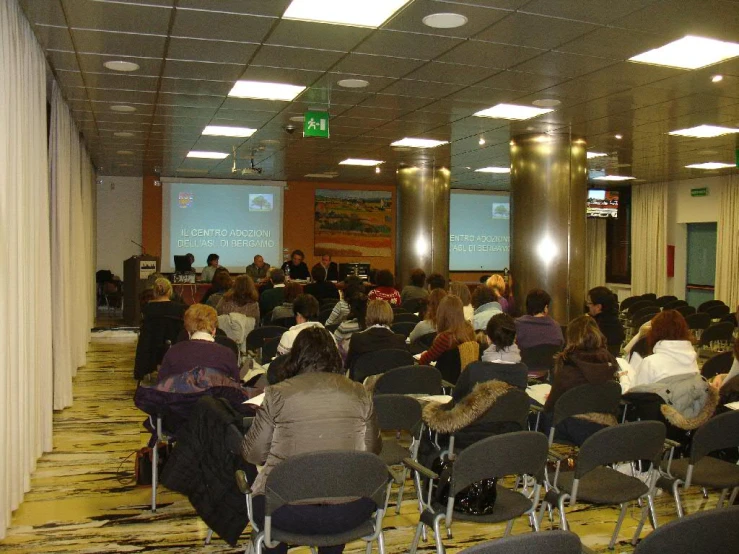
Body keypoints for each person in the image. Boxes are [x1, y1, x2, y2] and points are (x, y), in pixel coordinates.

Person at [241, 326, 381, 554]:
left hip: (286, 511)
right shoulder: (361, 393)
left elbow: (253, 454)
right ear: (335, 357)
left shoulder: (276, 394)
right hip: (350, 511)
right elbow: (373, 450)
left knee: (265, 499)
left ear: (296, 357)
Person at [543, 315, 618, 445]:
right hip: (606, 426)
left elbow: (550, 405)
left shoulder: (567, 366)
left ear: (570, 338)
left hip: (572, 427)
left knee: (541, 417)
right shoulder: (609, 364)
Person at [158, 304, 240, 383]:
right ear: (214, 330)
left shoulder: (173, 352)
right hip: (215, 396)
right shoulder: (227, 354)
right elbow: (235, 389)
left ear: (187, 331)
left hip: (180, 396)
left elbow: (161, 385)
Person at [626, 310, 698, 389]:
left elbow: (633, 393)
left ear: (655, 332)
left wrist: (624, 380)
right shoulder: (692, 359)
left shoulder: (650, 363)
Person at [345, 299, 407, 369]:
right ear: (390, 315)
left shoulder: (357, 339)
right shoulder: (400, 340)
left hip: (361, 379)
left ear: (368, 315)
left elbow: (348, 365)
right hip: (391, 378)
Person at [419, 295, 476, 366]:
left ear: (441, 314)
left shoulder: (445, 338)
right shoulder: (469, 330)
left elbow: (423, 361)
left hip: (444, 376)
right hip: (465, 374)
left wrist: (424, 355)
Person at [586, 286, 624, 352]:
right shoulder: (616, 322)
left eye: (589, 303)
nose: (588, 306)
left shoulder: (595, 326)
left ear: (598, 307)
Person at [334, 294, 368, 361]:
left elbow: (333, 344)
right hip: (367, 362)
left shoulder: (344, 327)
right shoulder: (372, 326)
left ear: (350, 307)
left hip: (347, 363)